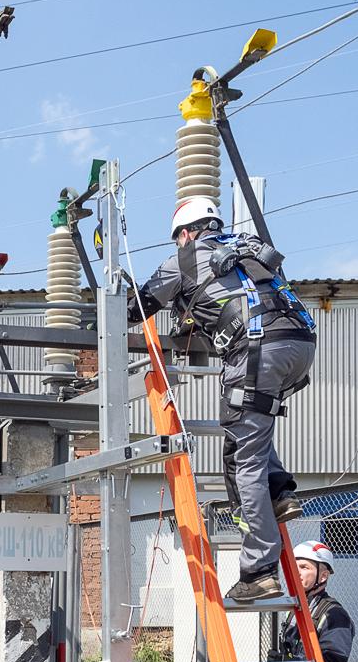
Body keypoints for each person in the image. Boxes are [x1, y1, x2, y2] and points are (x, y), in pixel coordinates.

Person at [127, 196, 317, 604]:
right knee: (255, 429)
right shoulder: (245, 247)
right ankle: (280, 493)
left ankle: (259, 570)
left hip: (257, 350)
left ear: (186, 232)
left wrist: (108, 304)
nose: (179, 244)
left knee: (240, 458)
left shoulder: (185, 258)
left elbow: (137, 307)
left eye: (179, 237)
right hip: (300, 345)